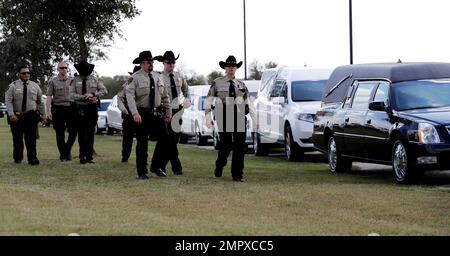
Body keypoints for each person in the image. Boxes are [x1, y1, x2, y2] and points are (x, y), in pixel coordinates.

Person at [205, 56, 257, 182]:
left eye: (233, 66)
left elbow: (248, 102)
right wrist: (208, 117)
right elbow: (209, 100)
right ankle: (220, 164)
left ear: (236, 68)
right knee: (226, 145)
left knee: (239, 146)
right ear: (225, 68)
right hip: (224, 116)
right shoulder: (217, 83)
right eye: (228, 66)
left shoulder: (241, 85)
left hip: (239, 116)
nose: (231, 68)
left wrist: (255, 119)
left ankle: (237, 174)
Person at [126, 51, 171, 180]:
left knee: (165, 139)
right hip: (142, 114)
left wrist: (168, 112)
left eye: (152, 62)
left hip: (157, 113)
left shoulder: (158, 76)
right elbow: (130, 97)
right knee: (142, 143)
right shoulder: (134, 78)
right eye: (148, 62)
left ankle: (156, 166)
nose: (151, 64)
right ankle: (142, 172)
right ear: (142, 63)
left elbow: (165, 95)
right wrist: (134, 113)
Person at [154, 51, 190, 175]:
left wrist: (186, 100)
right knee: (169, 139)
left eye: (173, 62)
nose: (171, 64)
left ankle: (162, 165)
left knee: (174, 140)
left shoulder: (179, 76)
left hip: (178, 110)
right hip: (166, 111)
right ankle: (176, 167)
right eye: (169, 62)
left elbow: (186, 90)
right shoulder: (159, 77)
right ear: (163, 63)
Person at [5, 65, 45, 165]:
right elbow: (8, 101)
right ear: (19, 74)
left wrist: (43, 115)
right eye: (24, 73)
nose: (26, 75)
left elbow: (40, 102)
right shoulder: (13, 86)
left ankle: (32, 159)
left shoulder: (35, 86)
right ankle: (18, 158)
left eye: (28, 73)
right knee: (17, 139)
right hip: (17, 116)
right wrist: (11, 114)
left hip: (31, 116)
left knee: (31, 139)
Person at [70, 60, 107, 164]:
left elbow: (104, 91)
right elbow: (71, 95)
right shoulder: (74, 80)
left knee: (90, 133)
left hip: (92, 108)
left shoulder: (95, 80)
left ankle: (89, 156)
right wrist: (83, 97)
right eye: (83, 74)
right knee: (81, 133)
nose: (84, 76)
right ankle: (82, 156)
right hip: (80, 108)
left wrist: (93, 94)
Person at [45, 61, 77, 162]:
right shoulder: (53, 81)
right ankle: (64, 156)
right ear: (58, 69)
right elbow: (49, 96)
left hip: (71, 108)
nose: (64, 69)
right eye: (61, 68)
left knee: (73, 131)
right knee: (59, 133)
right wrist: (48, 111)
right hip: (58, 109)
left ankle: (66, 151)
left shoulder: (72, 80)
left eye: (65, 68)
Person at [117, 65, 140, 163]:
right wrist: (123, 108)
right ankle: (125, 157)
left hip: (141, 113)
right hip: (129, 115)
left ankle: (141, 158)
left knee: (142, 138)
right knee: (127, 138)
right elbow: (119, 98)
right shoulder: (127, 84)